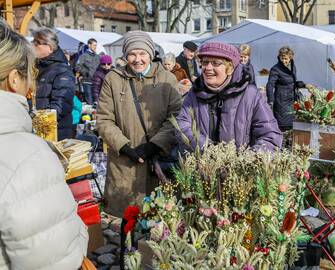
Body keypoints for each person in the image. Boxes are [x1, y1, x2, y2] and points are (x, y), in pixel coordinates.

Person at [0, 19, 88, 269]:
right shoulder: (27, 156)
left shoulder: (61, 71)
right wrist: (79, 231)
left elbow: (61, 103)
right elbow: (59, 257)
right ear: (15, 79)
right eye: (29, 76)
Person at [97, 31, 182, 217]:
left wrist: (154, 145)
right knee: (126, 219)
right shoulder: (113, 79)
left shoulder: (167, 79)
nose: (137, 59)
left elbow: (176, 117)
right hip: (124, 162)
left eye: (142, 53)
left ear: (150, 54)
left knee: (158, 219)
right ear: (125, 55)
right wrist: (124, 146)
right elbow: (104, 118)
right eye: (132, 54)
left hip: (158, 158)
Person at [176, 41, 282, 152]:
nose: (208, 68)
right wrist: (206, 148)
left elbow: (270, 136)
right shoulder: (194, 94)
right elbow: (181, 126)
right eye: (205, 62)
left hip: (240, 167)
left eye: (216, 63)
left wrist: (248, 161)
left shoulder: (250, 95)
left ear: (230, 68)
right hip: (203, 167)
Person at [32, 27, 76, 140]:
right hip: (37, 131)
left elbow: (60, 106)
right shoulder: (36, 67)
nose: (33, 44)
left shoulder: (62, 71)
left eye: (37, 42)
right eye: (33, 41)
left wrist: (37, 122)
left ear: (50, 47)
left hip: (54, 132)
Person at [266, 46, 306, 131]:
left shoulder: (293, 66)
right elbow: (270, 85)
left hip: (291, 100)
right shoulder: (275, 69)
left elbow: (292, 82)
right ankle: (281, 143)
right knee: (283, 125)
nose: (284, 61)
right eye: (282, 58)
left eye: (286, 59)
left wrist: (304, 85)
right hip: (281, 101)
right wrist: (270, 101)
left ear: (290, 57)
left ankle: (289, 143)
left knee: (292, 125)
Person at [76, 38, 100, 105]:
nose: (95, 47)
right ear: (89, 45)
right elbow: (77, 66)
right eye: (94, 45)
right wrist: (85, 72)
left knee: (97, 102)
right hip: (87, 82)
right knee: (90, 102)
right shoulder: (83, 56)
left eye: (96, 45)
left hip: (96, 82)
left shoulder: (98, 56)